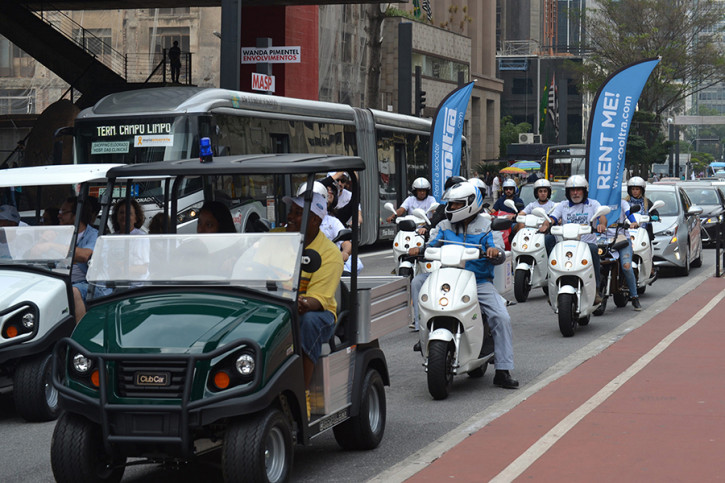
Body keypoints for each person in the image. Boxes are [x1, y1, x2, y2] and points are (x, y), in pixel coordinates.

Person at [408, 181, 518, 389]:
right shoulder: (443, 226)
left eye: (457, 204)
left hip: (477, 282)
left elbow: (498, 251)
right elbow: (431, 245)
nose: (452, 208)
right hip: (446, 279)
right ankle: (421, 333)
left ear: (470, 203)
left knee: (501, 316)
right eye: (451, 204)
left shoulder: (487, 226)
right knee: (418, 282)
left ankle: (503, 370)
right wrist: (419, 249)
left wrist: (494, 252)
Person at [283, 190, 344, 408]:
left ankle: (302, 396)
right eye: (291, 211)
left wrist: (301, 302)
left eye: (298, 213)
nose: (290, 217)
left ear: (315, 220)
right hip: (277, 307)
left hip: (319, 313)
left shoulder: (329, 254)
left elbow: (317, 301)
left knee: (307, 322)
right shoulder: (276, 238)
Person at [541, 175, 607, 303]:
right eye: (572, 190)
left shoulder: (593, 204)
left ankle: (597, 289)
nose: (575, 193)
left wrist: (602, 224)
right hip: (566, 245)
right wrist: (545, 225)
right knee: (549, 239)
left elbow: (602, 216)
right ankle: (552, 289)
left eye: (578, 190)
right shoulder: (563, 205)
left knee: (594, 249)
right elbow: (552, 218)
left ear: (585, 191)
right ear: (568, 192)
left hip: (586, 245)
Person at [58, 197, 98, 323]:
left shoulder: (94, 234)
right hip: (60, 281)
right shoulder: (59, 234)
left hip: (88, 284)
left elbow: (86, 255)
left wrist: (52, 246)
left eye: (64, 212)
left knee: (74, 291)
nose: (59, 216)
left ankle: (78, 335)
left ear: (76, 215)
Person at [606, 199, 642, 311]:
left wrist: (633, 222)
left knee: (626, 266)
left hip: (621, 239)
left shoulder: (622, 203)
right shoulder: (599, 201)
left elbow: (629, 213)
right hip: (603, 240)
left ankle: (634, 296)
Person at [624, 176, 655, 241]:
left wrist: (653, 217)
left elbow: (655, 213)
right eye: (633, 189)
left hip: (644, 234)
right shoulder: (625, 203)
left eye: (637, 189)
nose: (635, 191)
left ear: (641, 190)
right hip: (627, 233)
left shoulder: (647, 202)